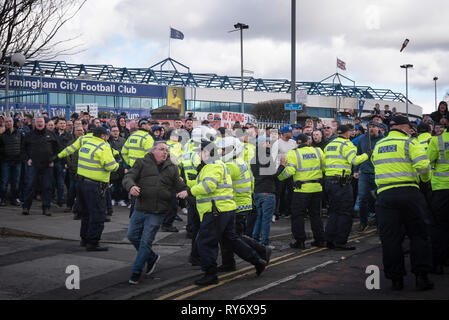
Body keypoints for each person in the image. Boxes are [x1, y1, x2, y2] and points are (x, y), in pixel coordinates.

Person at [177, 141, 267, 286]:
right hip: (225, 210)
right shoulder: (216, 165)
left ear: (206, 152)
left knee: (206, 242)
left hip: (215, 211)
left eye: (200, 152)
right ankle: (257, 261)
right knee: (231, 240)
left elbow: (208, 186)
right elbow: (204, 183)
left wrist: (188, 192)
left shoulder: (213, 166)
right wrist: (186, 184)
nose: (198, 155)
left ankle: (210, 275)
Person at [372, 115, 433, 291]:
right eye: (409, 127)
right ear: (403, 127)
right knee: (418, 235)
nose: (411, 130)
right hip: (409, 193)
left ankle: (396, 280)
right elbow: (423, 166)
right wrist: (424, 181)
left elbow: (374, 163)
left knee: (390, 239)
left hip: (385, 196)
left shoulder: (379, 145)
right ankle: (421, 277)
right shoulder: (409, 142)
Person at [123, 141, 188, 285]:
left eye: (167, 150)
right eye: (162, 149)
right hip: (140, 208)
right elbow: (128, 177)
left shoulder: (172, 168)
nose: (165, 152)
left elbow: (180, 186)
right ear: (153, 150)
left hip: (158, 211)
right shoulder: (141, 162)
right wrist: (131, 186)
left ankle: (136, 273)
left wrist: (184, 190)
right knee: (132, 236)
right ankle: (151, 257)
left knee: (146, 242)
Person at [216, 136, 272, 272]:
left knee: (232, 237)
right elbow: (251, 182)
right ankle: (229, 263)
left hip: (234, 205)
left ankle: (260, 252)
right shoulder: (242, 162)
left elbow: (219, 185)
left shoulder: (229, 166)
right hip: (243, 203)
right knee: (230, 236)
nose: (221, 152)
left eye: (224, 150)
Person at [323, 125, 368, 250]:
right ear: (347, 133)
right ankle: (340, 241)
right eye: (350, 131)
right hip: (342, 184)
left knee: (334, 212)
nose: (351, 133)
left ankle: (329, 239)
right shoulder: (346, 144)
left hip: (330, 182)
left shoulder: (329, 145)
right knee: (345, 213)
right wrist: (367, 155)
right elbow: (354, 160)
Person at [278, 133, 326, 249]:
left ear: (297, 143)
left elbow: (289, 171)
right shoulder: (318, 151)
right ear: (308, 141)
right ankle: (319, 239)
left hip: (301, 190)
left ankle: (300, 241)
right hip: (317, 188)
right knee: (315, 215)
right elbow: (324, 168)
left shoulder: (293, 153)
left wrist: (279, 176)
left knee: (298, 215)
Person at [76, 126, 119, 251]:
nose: (108, 137)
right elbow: (111, 166)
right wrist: (117, 163)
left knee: (86, 213)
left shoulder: (87, 144)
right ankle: (93, 242)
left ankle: (84, 239)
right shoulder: (104, 146)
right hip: (95, 186)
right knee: (98, 214)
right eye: (107, 135)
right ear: (103, 136)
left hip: (82, 182)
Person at [22, 117, 60, 216]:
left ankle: (46, 208)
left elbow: (57, 150)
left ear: (44, 123)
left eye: (41, 122)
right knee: (30, 186)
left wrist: (53, 160)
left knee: (47, 187)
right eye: (38, 122)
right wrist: (27, 159)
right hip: (33, 164)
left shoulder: (51, 134)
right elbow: (23, 149)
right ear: (35, 124)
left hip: (47, 165)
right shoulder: (29, 135)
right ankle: (26, 207)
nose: (39, 124)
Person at [426, 124, 449, 274]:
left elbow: (428, 161)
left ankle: (439, 263)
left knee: (439, 227)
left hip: (441, 188)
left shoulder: (437, 140)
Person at [354, 121, 384, 232]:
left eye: (374, 127)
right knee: (362, 198)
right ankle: (363, 222)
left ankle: (379, 222)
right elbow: (358, 154)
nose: (371, 129)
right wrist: (356, 170)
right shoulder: (362, 139)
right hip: (365, 173)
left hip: (379, 173)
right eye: (369, 127)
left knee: (378, 199)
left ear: (379, 128)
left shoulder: (383, 140)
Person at [271, 125, 297, 218]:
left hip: (290, 171)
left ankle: (288, 211)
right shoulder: (277, 143)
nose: (292, 133)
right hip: (281, 171)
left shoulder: (294, 142)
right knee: (279, 193)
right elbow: (273, 158)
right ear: (284, 133)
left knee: (291, 192)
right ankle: (276, 212)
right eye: (290, 132)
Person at [0, 117, 24, 206]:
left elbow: (23, 147)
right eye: (6, 122)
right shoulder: (2, 135)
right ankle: (3, 199)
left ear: (13, 122)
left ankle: (15, 198)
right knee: (4, 181)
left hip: (17, 162)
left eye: (10, 121)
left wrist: (20, 157)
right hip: (6, 162)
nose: (8, 123)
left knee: (16, 181)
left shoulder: (20, 134)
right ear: (4, 123)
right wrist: (4, 157)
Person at [65, 125, 84, 217]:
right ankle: (69, 205)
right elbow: (68, 156)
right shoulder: (71, 142)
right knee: (72, 188)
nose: (80, 132)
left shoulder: (87, 143)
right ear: (74, 132)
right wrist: (71, 166)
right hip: (73, 170)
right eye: (78, 130)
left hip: (84, 171)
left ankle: (81, 207)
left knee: (82, 190)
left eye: (81, 130)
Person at [108, 126, 127, 207]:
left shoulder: (123, 140)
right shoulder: (108, 141)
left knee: (121, 184)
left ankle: (120, 199)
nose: (115, 132)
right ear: (110, 132)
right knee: (112, 184)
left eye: (117, 131)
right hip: (111, 165)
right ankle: (112, 199)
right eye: (113, 131)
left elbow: (125, 153)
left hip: (121, 165)